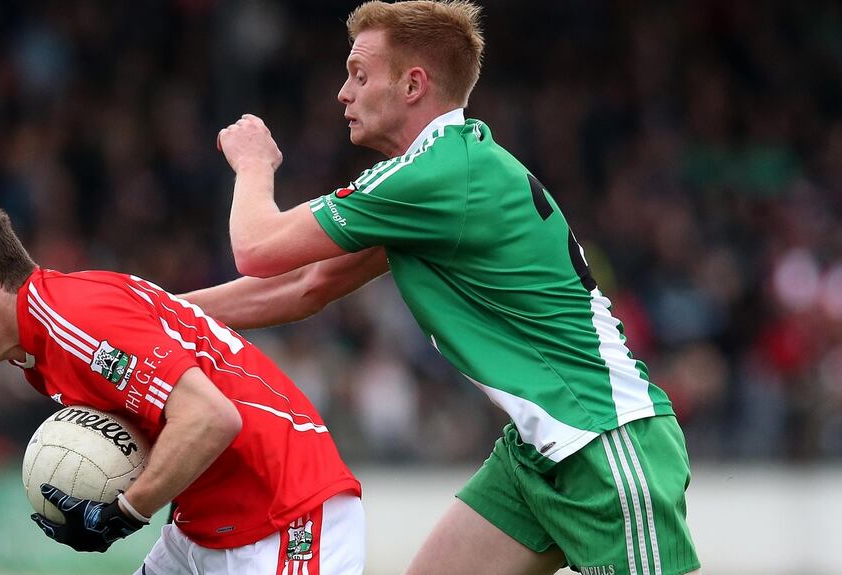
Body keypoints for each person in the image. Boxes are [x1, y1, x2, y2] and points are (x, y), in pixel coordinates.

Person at [183, 1, 701, 574]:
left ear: (412, 85)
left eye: (359, 74)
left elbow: (256, 248)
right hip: (539, 456)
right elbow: (308, 285)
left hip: (605, 445)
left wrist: (254, 164)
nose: (342, 93)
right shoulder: (437, 176)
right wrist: (160, 312)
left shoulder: (436, 173)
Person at [0, 200, 365, 575]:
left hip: (285, 517)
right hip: (207, 526)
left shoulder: (75, 322)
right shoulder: (49, 333)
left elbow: (209, 416)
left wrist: (125, 512)